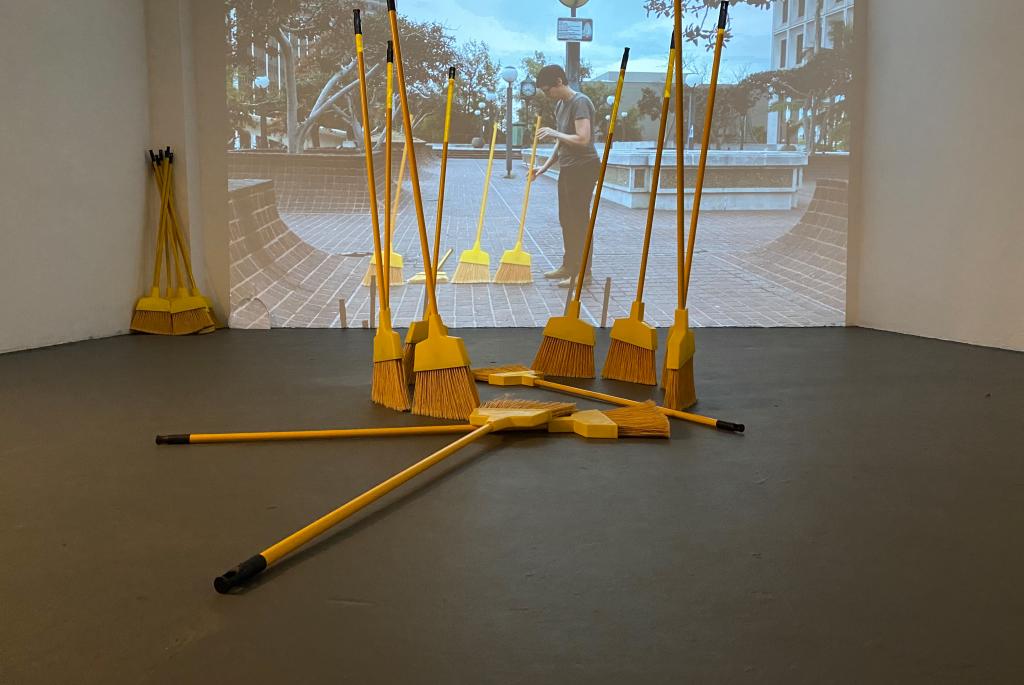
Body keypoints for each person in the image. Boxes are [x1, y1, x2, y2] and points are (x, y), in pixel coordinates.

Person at [530, 64, 599, 287]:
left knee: (579, 220)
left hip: (584, 167)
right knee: (566, 219)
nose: (547, 95)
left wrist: (554, 132)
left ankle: (583, 273)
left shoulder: (580, 102)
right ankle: (569, 266)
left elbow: (582, 139)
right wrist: (545, 167)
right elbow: (562, 143)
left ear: (559, 81)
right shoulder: (560, 105)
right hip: (568, 167)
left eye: (547, 90)